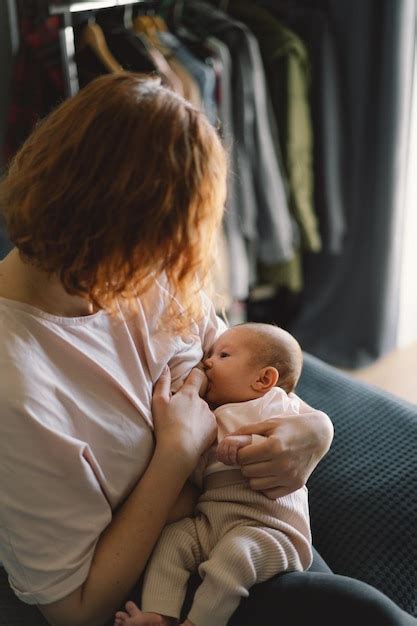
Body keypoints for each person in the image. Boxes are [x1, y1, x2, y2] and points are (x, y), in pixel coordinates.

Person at [0, 73, 412, 626]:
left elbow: (237, 357)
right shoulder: (19, 388)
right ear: (111, 236)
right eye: (161, 250)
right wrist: (175, 453)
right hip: (164, 575)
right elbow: (75, 609)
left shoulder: (146, 271)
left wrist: (314, 429)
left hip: (236, 508)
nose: (173, 270)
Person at [115, 322, 314, 626]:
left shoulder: (275, 403)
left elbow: (299, 434)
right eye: (210, 353)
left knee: (235, 556)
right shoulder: (209, 414)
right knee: (173, 540)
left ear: (263, 379)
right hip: (213, 522)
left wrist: (249, 443)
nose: (207, 361)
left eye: (223, 355)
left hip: (268, 530)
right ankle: (159, 614)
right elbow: (194, 471)